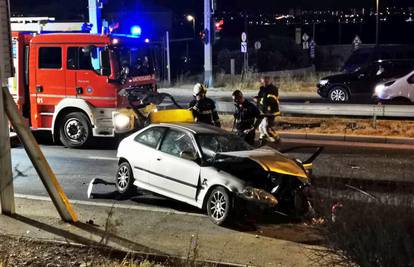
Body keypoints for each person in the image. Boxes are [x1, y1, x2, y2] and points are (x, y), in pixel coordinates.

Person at [254, 76, 280, 144]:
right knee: (261, 127)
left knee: (265, 127)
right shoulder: (262, 89)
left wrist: (259, 100)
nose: (265, 83)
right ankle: (262, 141)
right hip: (263, 110)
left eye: (266, 81)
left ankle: (276, 139)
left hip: (270, 111)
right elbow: (262, 98)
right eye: (263, 81)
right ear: (261, 81)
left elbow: (270, 99)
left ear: (270, 81)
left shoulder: (273, 89)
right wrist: (257, 98)